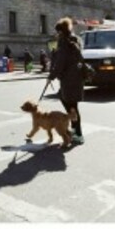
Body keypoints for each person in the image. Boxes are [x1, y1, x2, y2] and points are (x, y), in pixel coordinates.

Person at [48, 17, 85, 145]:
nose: (56, 34)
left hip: (69, 79)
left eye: (57, 32)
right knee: (72, 106)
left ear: (61, 31)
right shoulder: (75, 39)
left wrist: (51, 76)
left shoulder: (64, 43)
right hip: (76, 78)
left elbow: (60, 63)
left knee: (72, 108)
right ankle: (75, 131)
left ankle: (77, 134)